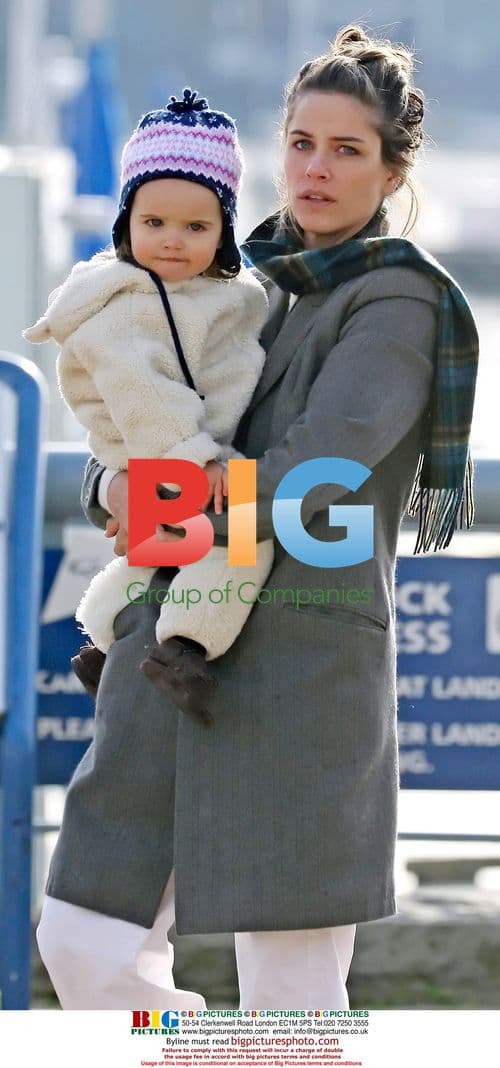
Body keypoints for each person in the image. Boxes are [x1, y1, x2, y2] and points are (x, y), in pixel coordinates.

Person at [36, 25, 479, 1010]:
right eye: (299, 142)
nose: (314, 170)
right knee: (81, 941)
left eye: (346, 149)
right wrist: (113, 491)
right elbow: (133, 424)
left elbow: (306, 474)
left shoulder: (395, 301)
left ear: (392, 167)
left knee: (290, 1007)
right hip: (171, 653)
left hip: (299, 669)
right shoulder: (230, 284)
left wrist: (156, 492)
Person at [24, 89, 273, 727]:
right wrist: (201, 461)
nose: (171, 241)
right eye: (153, 223)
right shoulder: (132, 304)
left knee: (158, 549)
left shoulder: (206, 293)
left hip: (164, 452)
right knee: (242, 542)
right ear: (125, 224)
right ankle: (187, 647)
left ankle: (104, 643)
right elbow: (144, 396)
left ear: (223, 232)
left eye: (196, 227)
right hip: (166, 450)